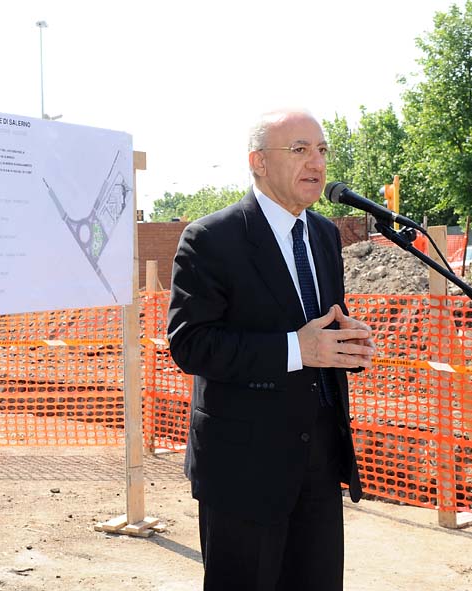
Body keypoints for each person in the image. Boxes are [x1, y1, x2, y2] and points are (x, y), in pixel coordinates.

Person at [167, 108, 375, 591]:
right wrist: (296, 349)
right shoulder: (210, 238)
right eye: (299, 149)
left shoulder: (323, 234)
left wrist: (348, 346)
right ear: (258, 161)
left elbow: (322, 326)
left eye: (321, 150)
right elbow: (191, 344)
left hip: (319, 455)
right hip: (244, 467)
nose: (316, 162)